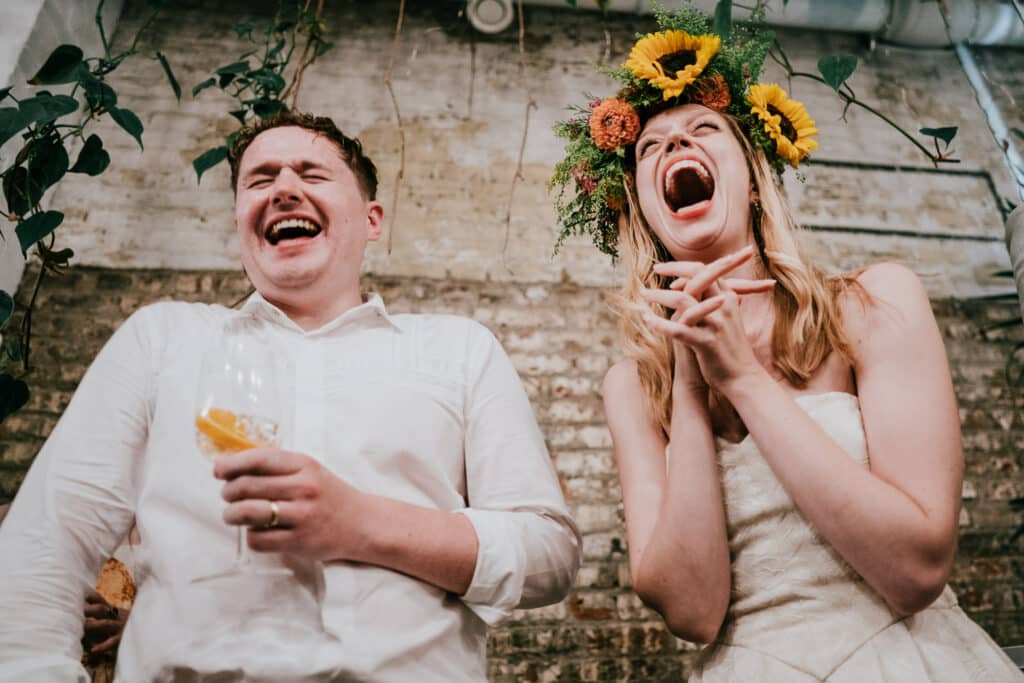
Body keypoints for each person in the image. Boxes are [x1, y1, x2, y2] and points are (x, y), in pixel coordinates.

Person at [0, 110, 580, 682]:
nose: (283, 189)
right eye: (261, 179)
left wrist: (360, 523)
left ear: (371, 219)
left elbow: (548, 555)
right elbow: (46, 539)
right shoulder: (162, 341)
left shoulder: (460, 351)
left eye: (311, 173)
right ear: (240, 221)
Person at [551, 8, 1023, 682]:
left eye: (703, 130)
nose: (676, 148)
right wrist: (689, 381)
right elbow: (692, 610)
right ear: (643, 211)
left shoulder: (874, 301)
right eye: (652, 148)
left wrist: (743, 379)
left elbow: (917, 569)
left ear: (751, 177)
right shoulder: (633, 387)